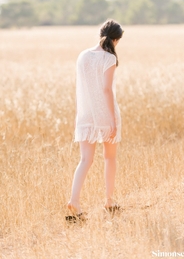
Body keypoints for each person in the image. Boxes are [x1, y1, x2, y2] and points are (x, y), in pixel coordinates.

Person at [66, 19, 124, 221]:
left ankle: (74, 201)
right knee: (110, 158)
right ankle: (109, 201)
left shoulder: (82, 56)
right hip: (104, 115)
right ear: (116, 40)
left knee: (85, 160)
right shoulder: (109, 58)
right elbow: (107, 90)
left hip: (85, 115)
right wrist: (113, 121)